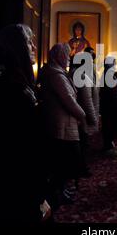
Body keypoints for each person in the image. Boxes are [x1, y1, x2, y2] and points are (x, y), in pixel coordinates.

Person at [0, 24, 51, 223]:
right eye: (28, 42)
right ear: (16, 47)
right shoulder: (11, 88)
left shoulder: (19, 81)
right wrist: (37, 195)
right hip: (15, 186)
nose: (34, 48)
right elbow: (21, 149)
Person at [37, 43, 86, 205]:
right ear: (58, 56)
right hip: (61, 125)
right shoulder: (56, 75)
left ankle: (62, 189)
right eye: (66, 55)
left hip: (63, 123)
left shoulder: (56, 72)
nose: (68, 58)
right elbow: (68, 100)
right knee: (62, 163)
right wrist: (83, 115)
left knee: (63, 163)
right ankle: (58, 193)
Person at [69, 51, 99, 178]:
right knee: (83, 144)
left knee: (81, 144)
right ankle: (82, 168)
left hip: (78, 117)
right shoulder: (81, 76)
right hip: (83, 117)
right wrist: (93, 119)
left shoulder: (74, 73)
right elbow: (87, 101)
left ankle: (79, 167)